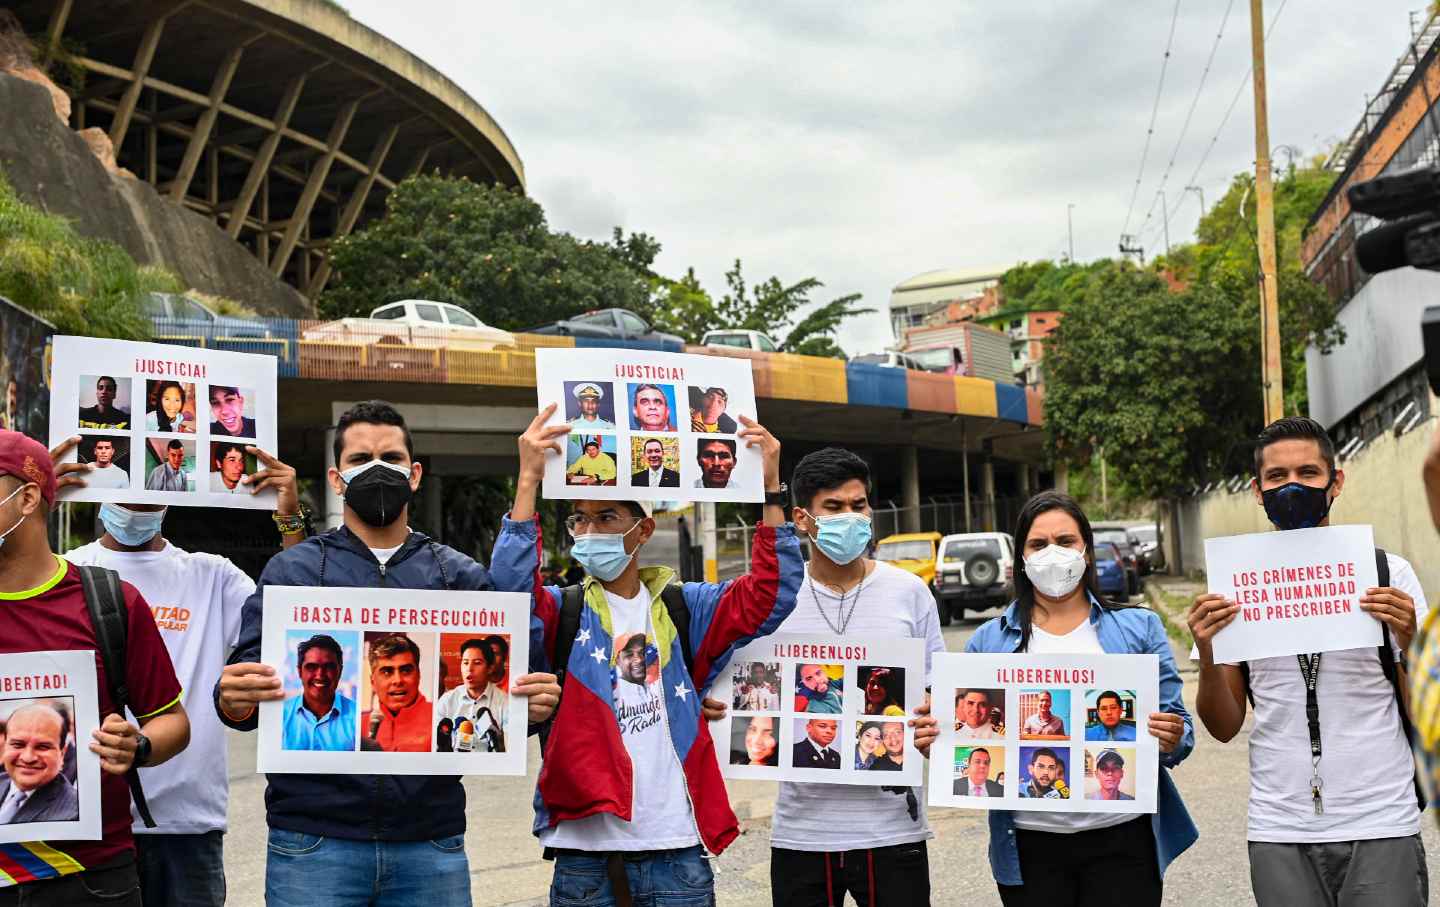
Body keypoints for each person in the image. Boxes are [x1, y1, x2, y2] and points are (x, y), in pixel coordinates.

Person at [215, 400, 561, 906]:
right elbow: (243, 709)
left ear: (415, 474)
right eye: (360, 459)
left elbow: (511, 703)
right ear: (336, 478)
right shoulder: (291, 574)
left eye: (391, 457)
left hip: (430, 842)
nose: (377, 468)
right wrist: (233, 696)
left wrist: (532, 704)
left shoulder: (460, 578)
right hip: (311, 842)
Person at [494, 403, 800, 905]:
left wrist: (770, 487)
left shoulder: (687, 607)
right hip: (582, 856)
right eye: (581, 520)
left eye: (607, 517)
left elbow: (772, 594)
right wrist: (527, 481)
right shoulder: (561, 611)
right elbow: (509, 595)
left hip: (675, 850)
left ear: (644, 529)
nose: (591, 532)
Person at [1187, 416, 1428, 907]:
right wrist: (1209, 654)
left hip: (1381, 817)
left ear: (1334, 481)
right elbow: (1223, 725)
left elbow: (1429, 714)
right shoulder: (1235, 585)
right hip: (1280, 825)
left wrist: (1410, 642)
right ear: (1257, 490)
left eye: (1307, 473)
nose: (1292, 487)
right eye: (1277, 477)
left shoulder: (1387, 573)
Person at [58, 433, 303, 907]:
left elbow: (295, 618)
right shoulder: (66, 572)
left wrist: (290, 516)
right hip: (86, 817)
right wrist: (30, 502)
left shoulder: (212, 575)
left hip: (188, 821)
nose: (137, 499)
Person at [702, 447, 943, 907]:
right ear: (802, 518)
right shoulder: (769, 601)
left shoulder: (909, 592)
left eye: (859, 505)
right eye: (834, 508)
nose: (850, 517)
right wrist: (713, 704)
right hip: (803, 834)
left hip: (895, 830)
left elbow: (936, 693)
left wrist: (934, 719)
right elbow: (722, 682)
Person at [968, 490, 1196, 906]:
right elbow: (968, 739)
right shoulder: (988, 641)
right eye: (1038, 544)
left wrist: (1172, 734)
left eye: (1066, 541)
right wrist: (937, 738)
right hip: (1031, 847)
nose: (1053, 554)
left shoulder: (1139, 628)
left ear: (1086, 551)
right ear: (1021, 556)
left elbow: (1180, 733)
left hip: (1123, 840)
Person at [0, 430, 190, 904]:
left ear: (25, 499)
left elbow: (173, 722)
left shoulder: (110, 602)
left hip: (89, 875)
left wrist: (138, 746)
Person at [0, 704, 79, 823]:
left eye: (42, 747)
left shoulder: (76, 813)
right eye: (18, 744)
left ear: (62, 753)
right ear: (4, 746)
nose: (28, 758)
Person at [281, 635, 356, 752]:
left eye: (329, 667)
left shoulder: (356, 716)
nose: (320, 675)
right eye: (311, 667)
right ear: (300, 671)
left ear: (340, 671)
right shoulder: (281, 715)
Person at [360, 634, 433, 753]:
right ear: (372, 682)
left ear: (419, 675)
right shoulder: (357, 727)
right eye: (387, 672)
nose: (398, 680)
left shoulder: (439, 719)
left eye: (406, 671)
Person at [435, 638, 508, 753]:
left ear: (490, 668)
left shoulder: (505, 701)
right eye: (465, 662)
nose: (469, 669)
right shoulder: (447, 700)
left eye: (477, 663)